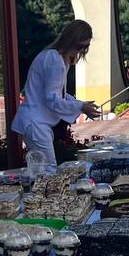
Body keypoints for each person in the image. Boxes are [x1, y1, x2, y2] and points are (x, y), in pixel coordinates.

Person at [11, 19, 101, 166]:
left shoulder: (54, 57)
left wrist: (81, 105)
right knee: (48, 170)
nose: (81, 51)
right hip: (35, 123)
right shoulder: (55, 61)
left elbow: (59, 94)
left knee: (41, 170)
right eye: (80, 46)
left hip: (34, 122)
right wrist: (80, 107)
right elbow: (53, 99)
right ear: (70, 40)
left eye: (86, 47)